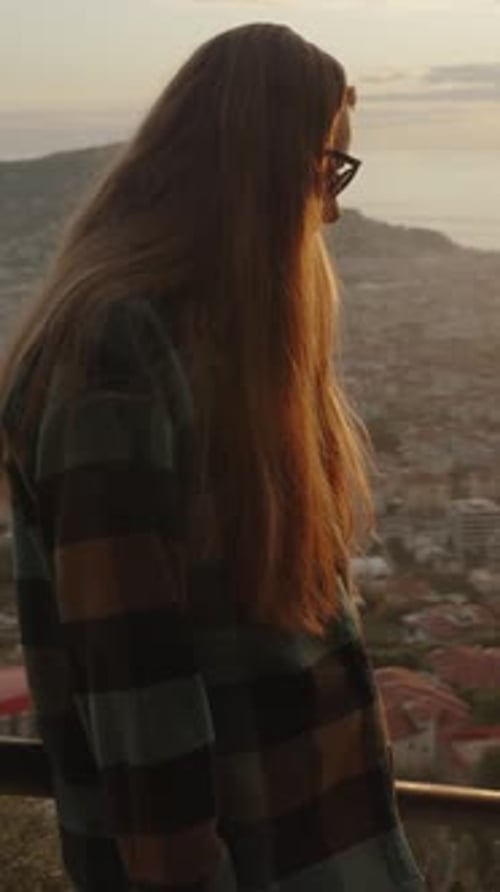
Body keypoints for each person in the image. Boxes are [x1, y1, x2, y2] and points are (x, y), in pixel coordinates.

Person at [0, 22, 425, 892]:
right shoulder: (116, 352)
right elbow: (139, 694)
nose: (332, 209)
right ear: (258, 170)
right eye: (329, 169)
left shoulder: (201, 351)